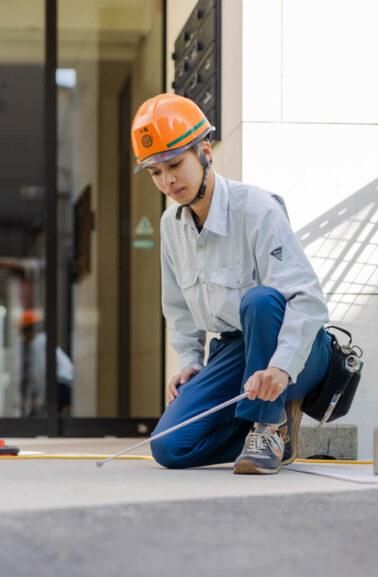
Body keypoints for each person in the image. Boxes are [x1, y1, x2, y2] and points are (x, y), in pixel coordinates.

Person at [131, 93, 332, 474]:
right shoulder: (171, 227)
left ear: (205, 152)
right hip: (235, 350)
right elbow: (177, 309)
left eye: (175, 164)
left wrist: (281, 368)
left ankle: (268, 425)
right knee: (169, 447)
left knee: (259, 301)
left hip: (300, 350)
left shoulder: (256, 209)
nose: (168, 180)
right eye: (155, 172)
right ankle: (275, 432)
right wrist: (191, 362)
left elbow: (307, 300)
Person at [19, 310, 74, 417]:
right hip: (64, 380)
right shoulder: (41, 341)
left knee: (52, 413)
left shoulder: (38, 343)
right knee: (54, 413)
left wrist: (40, 397)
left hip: (60, 381)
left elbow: (41, 371)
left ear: (28, 330)